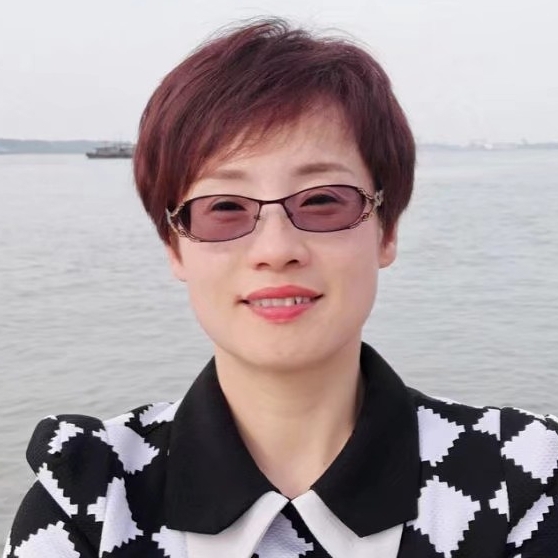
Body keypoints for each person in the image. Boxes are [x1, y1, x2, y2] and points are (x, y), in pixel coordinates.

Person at [3, 18, 557, 558]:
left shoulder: (522, 476)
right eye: (224, 207)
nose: (275, 248)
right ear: (175, 246)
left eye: (322, 200)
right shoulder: (91, 493)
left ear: (386, 231)